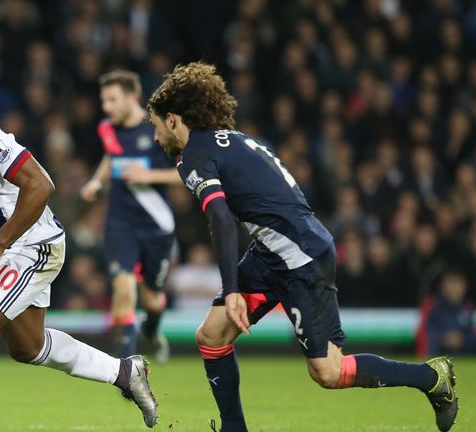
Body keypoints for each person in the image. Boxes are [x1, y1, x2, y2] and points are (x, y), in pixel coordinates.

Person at [146, 62, 458, 432]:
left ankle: (432, 378)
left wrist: (232, 291)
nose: (154, 137)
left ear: (172, 119)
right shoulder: (236, 139)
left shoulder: (194, 156)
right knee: (211, 336)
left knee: (328, 372)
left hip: (301, 257)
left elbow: (222, 220)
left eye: (153, 126)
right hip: (274, 251)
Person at [0, 71, 157, 432]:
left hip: (32, 245)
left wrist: (0, 242)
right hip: (11, 247)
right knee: (28, 347)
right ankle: (125, 372)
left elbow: (41, 185)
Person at [80, 70, 181, 360]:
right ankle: (126, 368)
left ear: (132, 98)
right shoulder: (107, 129)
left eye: (112, 100)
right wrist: (97, 182)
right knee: (123, 288)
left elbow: (186, 175)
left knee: (153, 298)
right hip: (120, 222)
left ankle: (151, 332)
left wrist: (149, 175)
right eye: (104, 100)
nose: (106, 107)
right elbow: (111, 156)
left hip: (156, 225)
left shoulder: (159, 129)